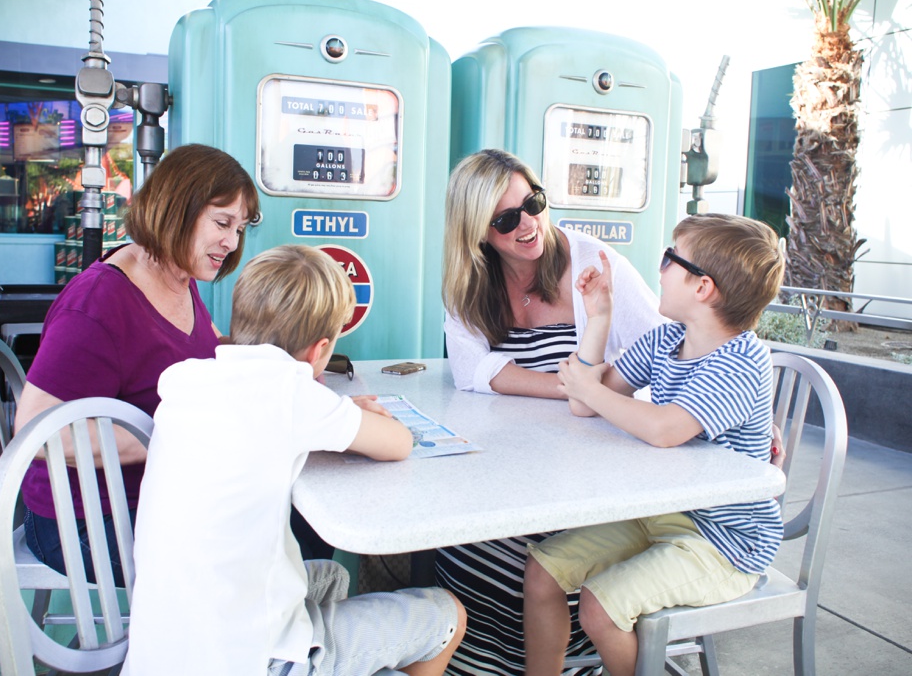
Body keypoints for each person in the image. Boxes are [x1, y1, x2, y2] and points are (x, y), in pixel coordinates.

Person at [122, 244, 467, 675]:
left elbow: (261, 423)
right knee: (447, 615)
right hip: (248, 661)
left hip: (160, 654)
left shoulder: (186, 378)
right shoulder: (291, 392)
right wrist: (350, 415)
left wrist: (336, 414)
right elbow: (398, 443)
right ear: (319, 350)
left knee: (332, 577)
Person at [523, 213, 786, 676]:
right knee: (542, 573)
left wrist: (589, 391)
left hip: (726, 542)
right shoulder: (667, 339)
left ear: (702, 287)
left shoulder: (744, 360)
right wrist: (599, 317)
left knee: (600, 608)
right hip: (661, 511)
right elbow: (584, 404)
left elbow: (665, 429)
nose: (659, 269)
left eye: (670, 258)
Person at [438, 148, 665, 674]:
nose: (528, 224)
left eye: (533, 203)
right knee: (465, 537)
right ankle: (482, 663)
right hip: (513, 458)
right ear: (476, 231)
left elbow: (666, 347)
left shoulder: (593, 262)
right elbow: (472, 369)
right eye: (504, 219)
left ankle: (567, 663)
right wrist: (575, 388)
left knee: (532, 549)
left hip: (591, 468)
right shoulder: (469, 279)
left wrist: (591, 395)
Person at [15, 143, 260, 582]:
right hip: (84, 521)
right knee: (250, 560)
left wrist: (289, 373)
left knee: (281, 516)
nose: (232, 242)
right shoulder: (98, 303)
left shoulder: (177, 275)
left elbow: (206, 349)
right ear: (176, 209)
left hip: (157, 498)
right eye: (223, 223)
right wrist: (169, 437)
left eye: (239, 229)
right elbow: (38, 431)